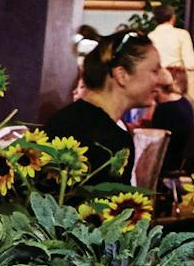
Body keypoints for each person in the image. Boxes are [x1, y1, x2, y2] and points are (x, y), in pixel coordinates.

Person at [45, 31, 168, 181]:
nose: (162, 80)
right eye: (154, 71)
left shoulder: (66, 119)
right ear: (122, 75)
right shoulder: (112, 140)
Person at [149, 65, 194, 173]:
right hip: (186, 161)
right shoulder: (185, 102)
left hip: (170, 162)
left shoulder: (164, 109)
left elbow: (154, 139)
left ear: (156, 89)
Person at [148, 4, 194, 71]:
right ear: (173, 18)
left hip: (157, 74)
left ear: (155, 20)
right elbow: (191, 64)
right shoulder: (182, 34)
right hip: (176, 74)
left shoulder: (150, 37)